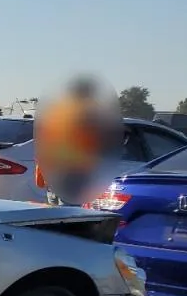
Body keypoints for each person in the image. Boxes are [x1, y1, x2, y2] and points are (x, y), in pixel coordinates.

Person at [34, 76, 122, 206]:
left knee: (54, 216)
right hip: (75, 170)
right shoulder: (89, 110)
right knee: (71, 218)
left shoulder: (57, 109)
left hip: (53, 169)